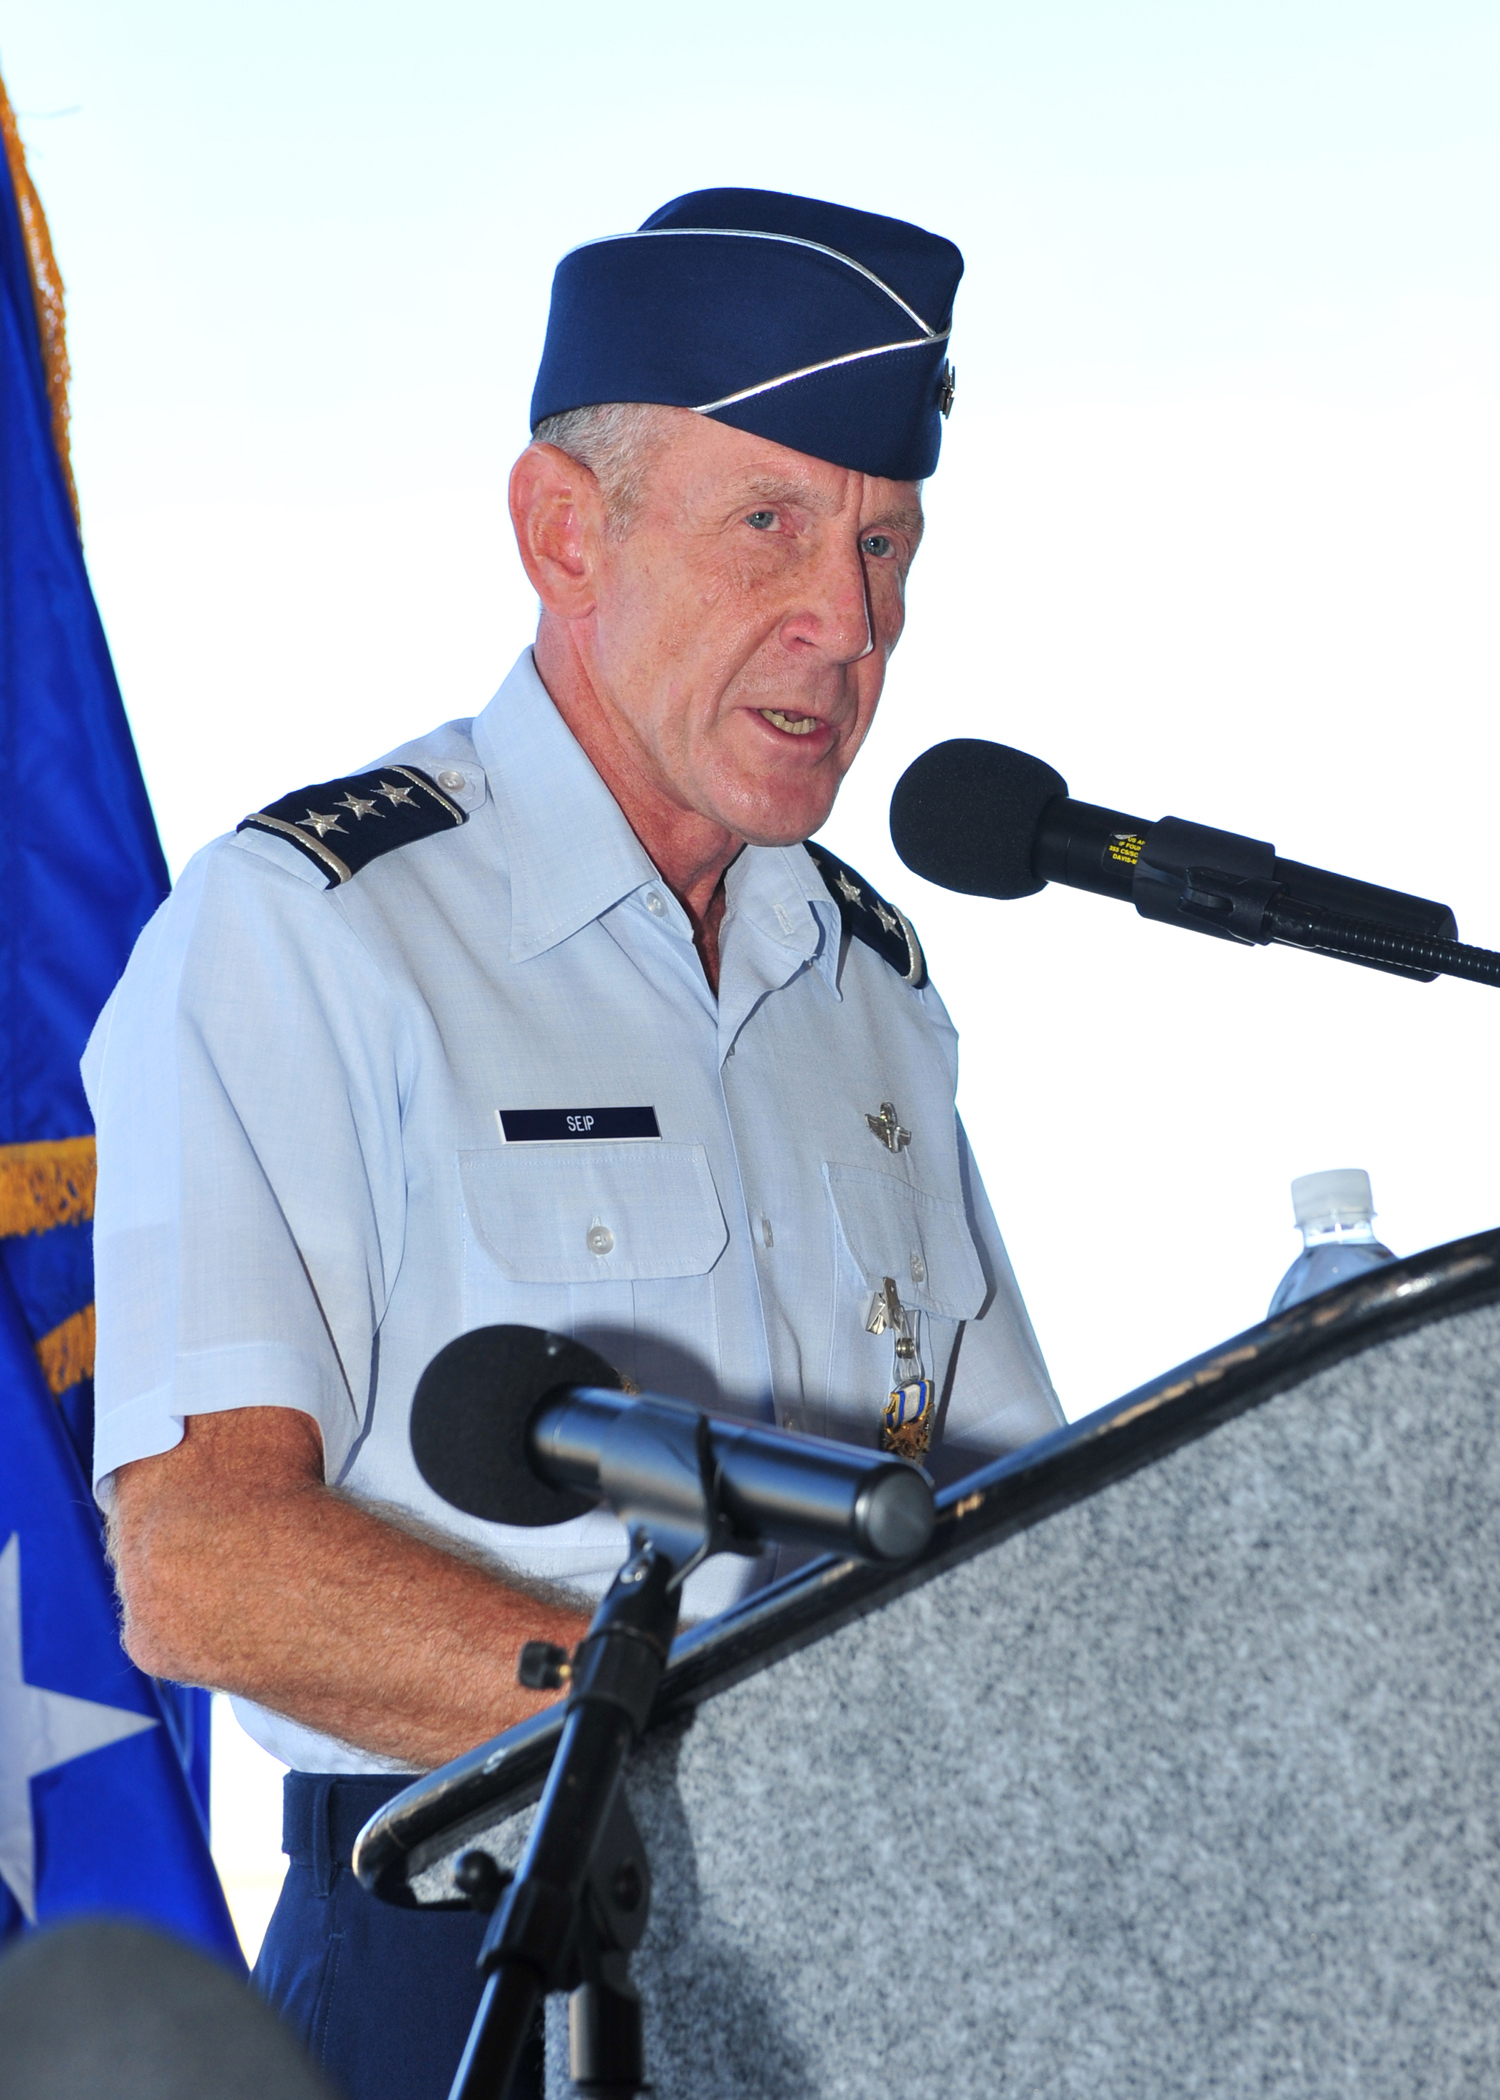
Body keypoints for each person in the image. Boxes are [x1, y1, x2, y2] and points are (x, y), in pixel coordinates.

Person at [88, 188, 1063, 2100]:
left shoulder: (868, 982)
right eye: (771, 523)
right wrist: (696, 1741)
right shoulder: (319, 927)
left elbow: (1006, 1525)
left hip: (878, 1968)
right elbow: (203, 1567)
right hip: (461, 1939)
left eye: (888, 546)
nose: (849, 624)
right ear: (563, 531)